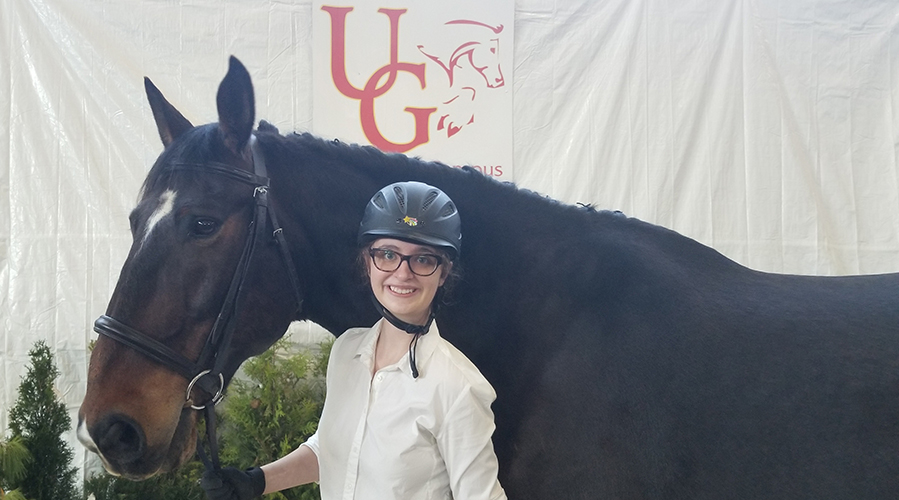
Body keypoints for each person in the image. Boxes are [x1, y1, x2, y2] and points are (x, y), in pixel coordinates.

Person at [201, 181, 507, 500]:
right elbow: (334, 452)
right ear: (368, 261)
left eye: (424, 259)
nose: (403, 273)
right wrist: (256, 482)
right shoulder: (346, 350)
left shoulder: (458, 388)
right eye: (388, 254)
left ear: (443, 273)